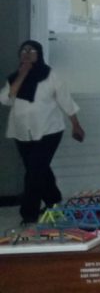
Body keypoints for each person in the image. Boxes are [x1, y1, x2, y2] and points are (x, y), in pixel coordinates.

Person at [1, 40, 85, 225]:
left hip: (49, 131)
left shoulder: (50, 76)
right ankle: (54, 201)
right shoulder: (14, 77)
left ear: (38, 54)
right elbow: (6, 100)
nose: (27, 53)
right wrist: (23, 74)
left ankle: (29, 214)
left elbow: (66, 101)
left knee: (34, 172)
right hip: (21, 132)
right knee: (39, 170)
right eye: (24, 50)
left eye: (31, 50)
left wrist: (76, 125)